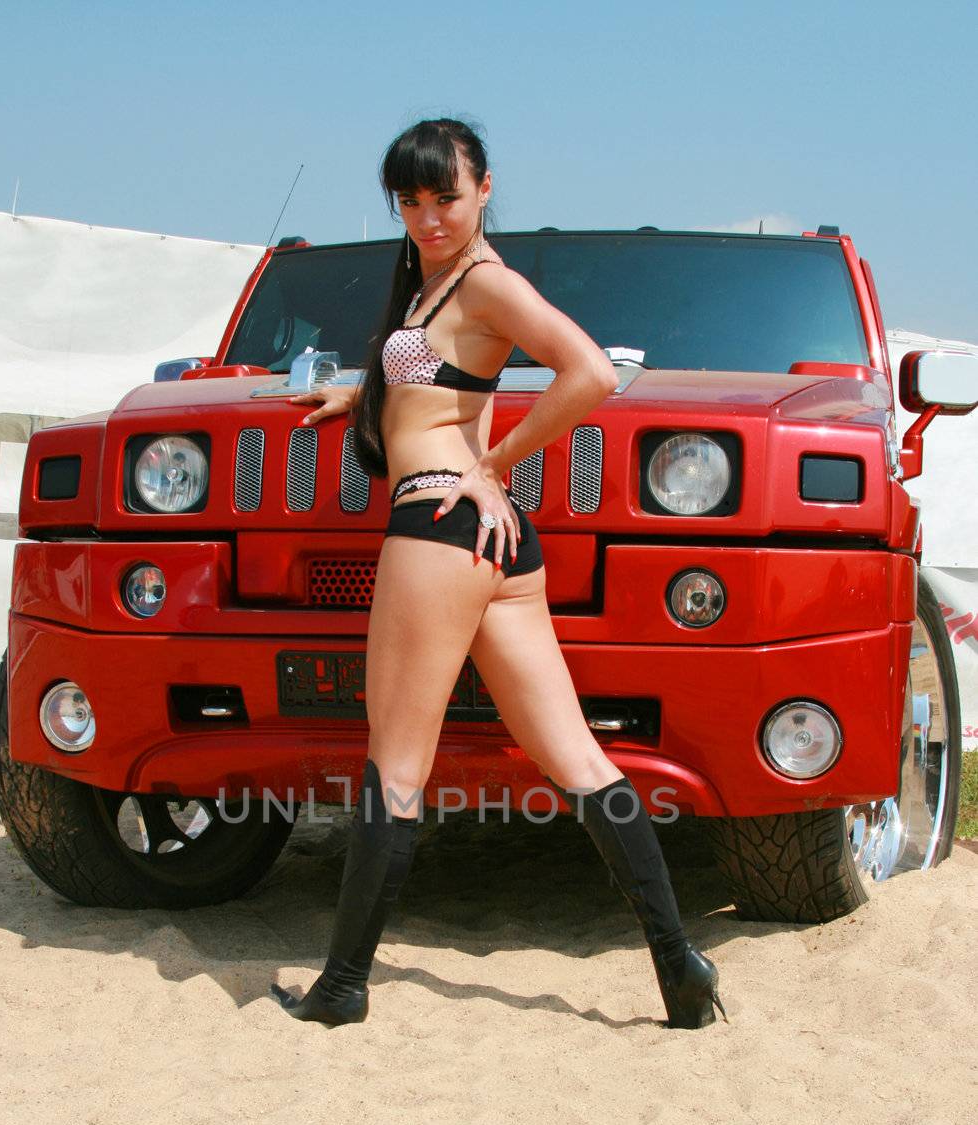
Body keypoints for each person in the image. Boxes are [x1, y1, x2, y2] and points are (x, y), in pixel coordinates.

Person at [270, 117, 727, 1031]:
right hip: (496, 549)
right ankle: (679, 967)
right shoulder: (443, 286)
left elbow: (588, 372)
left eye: (445, 195)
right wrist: (359, 394)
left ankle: (341, 987)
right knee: (577, 761)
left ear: (484, 190)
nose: (427, 215)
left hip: (441, 524)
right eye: (410, 199)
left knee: (396, 766)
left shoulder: (485, 282)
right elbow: (446, 385)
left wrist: (496, 461)